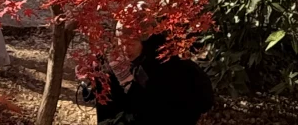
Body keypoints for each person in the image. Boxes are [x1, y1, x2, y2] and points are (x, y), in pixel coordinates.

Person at [85, 31, 214, 125]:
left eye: (130, 43)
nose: (124, 48)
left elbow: (142, 110)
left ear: (145, 41)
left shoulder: (150, 69)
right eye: (120, 41)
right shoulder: (118, 64)